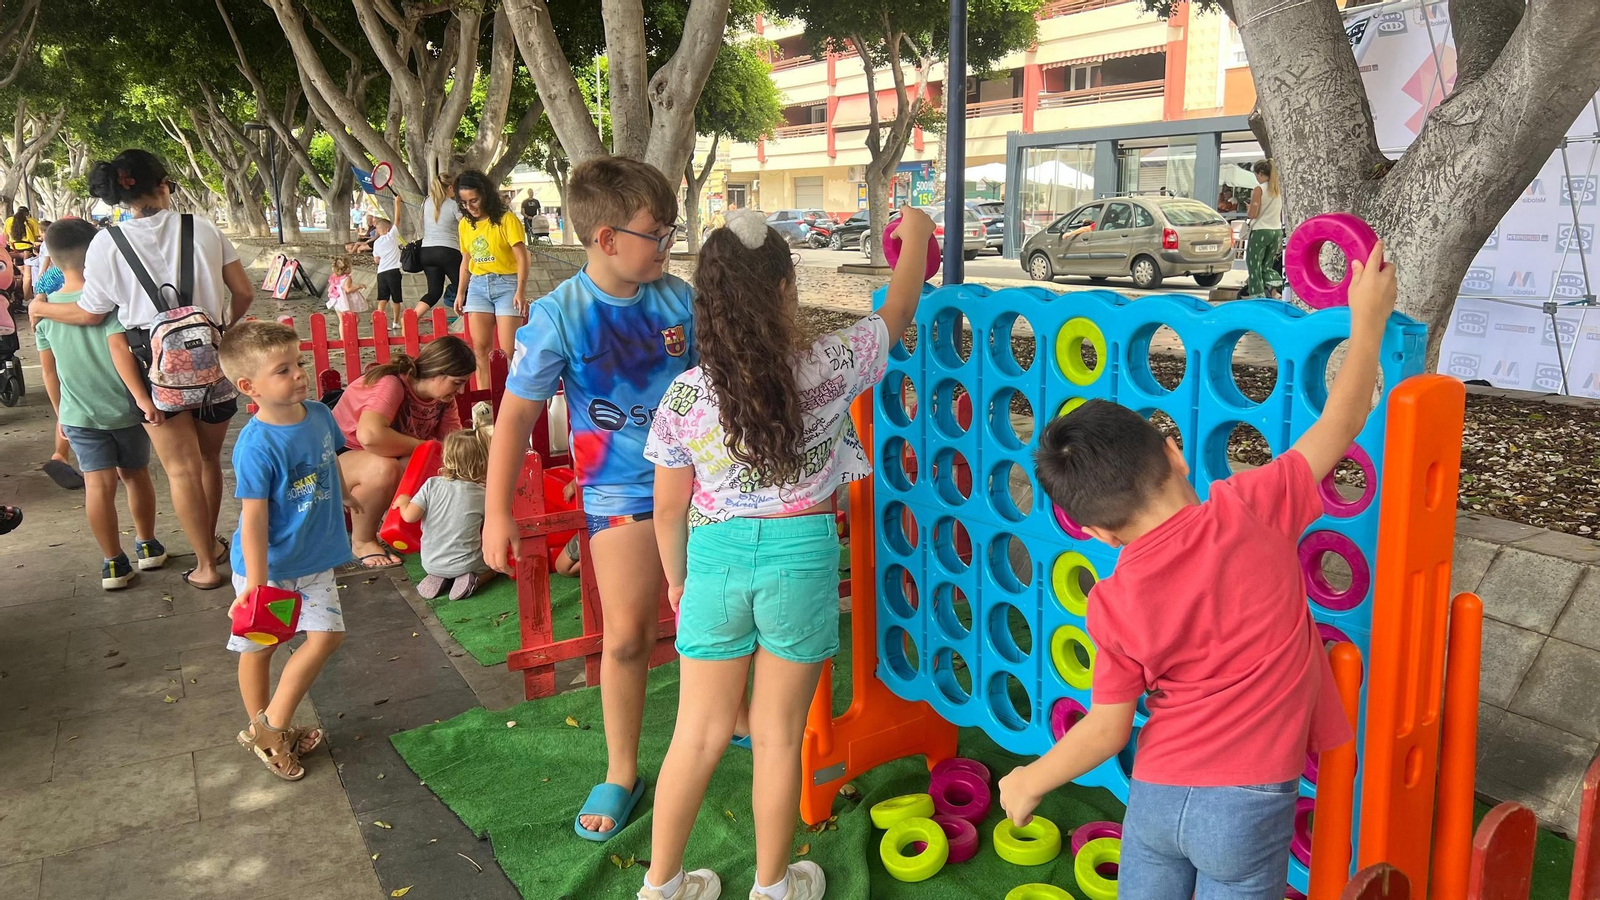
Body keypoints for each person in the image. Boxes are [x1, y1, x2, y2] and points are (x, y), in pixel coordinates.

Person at [996, 242, 1396, 899]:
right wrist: (1368, 320)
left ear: (1095, 532)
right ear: (1176, 454)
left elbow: (1106, 729)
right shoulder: (1253, 506)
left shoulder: (1113, 599)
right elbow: (1342, 418)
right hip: (1247, 801)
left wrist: (1029, 779)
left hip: (1155, 796)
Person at [634, 205, 933, 900]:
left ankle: (661, 885)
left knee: (697, 736)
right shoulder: (833, 363)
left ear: (708, 306)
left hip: (712, 559)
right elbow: (899, 306)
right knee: (776, 738)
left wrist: (678, 581)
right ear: (784, 289)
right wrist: (913, 235)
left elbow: (670, 508)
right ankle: (774, 886)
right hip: (801, 557)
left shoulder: (685, 395)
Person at [483, 155, 694, 843]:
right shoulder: (558, 316)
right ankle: (623, 768)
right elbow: (514, 419)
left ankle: (740, 720)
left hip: (707, 486)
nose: (666, 244)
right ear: (605, 238)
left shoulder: (680, 300)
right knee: (629, 638)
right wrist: (496, 512)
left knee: (717, 623)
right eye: (654, 232)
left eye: (668, 230)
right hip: (623, 496)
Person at [29, 149, 255, 591]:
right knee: (209, 460)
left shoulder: (106, 244)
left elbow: (93, 314)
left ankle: (206, 566)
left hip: (154, 369)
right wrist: (221, 324)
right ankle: (212, 545)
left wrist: (42, 307)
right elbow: (243, 292)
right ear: (164, 183)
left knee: (181, 470)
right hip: (213, 360)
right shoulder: (204, 228)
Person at [218, 320, 357, 781]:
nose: (300, 374)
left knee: (327, 636)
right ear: (248, 387)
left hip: (315, 559)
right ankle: (271, 737)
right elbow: (252, 518)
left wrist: (347, 496)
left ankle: (269, 726)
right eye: (283, 369)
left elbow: (329, 462)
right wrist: (256, 582)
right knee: (260, 648)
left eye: (299, 363)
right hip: (271, 568)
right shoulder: (256, 446)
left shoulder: (319, 414)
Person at [34, 218, 168, 589]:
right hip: (123, 410)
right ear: (95, 254)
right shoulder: (109, 305)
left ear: (53, 259)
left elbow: (49, 373)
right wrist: (143, 401)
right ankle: (147, 545)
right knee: (136, 475)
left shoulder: (43, 313)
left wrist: (62, 414)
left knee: (98, 486)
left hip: (79, 414)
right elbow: (122, 354)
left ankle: (113, 564)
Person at [332, 336, 474, 569]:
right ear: (438, 372)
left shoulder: (442, 400)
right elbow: (370, 436)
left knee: (429, 464)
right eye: (457, 382)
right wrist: (424, 446)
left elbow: (453, 448)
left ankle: (393, 528)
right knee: (386, 468)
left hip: (375, 461)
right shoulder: (392, 383)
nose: (460, 391)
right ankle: (362, 541)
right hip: (336, 465)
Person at [393, 427, 496, 601]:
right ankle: (474, 580)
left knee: (445, 560)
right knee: (494, 568)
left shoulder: (431, 485)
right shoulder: (483, 495)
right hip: (467, 563)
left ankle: (439, 576)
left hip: (430, 562)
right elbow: (491, 527)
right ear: (485, 462)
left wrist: (404, 502)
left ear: (447, 458)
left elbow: (410, 516)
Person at [454, 169, 529, 388]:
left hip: (507, 284)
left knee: (507, 351)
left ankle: (510, 400)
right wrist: (460, 292)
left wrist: (520, 291)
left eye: (474, 200)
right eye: (464, 203)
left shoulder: (507, 220)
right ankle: (485, 404)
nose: (470, 207)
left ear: (486, 195)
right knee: (480, 350)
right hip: (477, 286)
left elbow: (522, 258)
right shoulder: (465, 224)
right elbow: (466, 261)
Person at [417, 172, 463, 316]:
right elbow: (465, 226)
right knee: (463, 287)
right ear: (450, 187)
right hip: (448, 251)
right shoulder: (453, 205)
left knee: (433, 292)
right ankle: (467, 320)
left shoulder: (426, 202)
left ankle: (411, 319)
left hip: (426, 252)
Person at [1245, 159, 1285, 299]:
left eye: (1256, 174)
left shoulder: (1259, 189)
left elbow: (1253, 213)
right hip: (1276, 231)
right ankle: (1275, 290)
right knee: (1267, 265)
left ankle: (1257, 296)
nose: (1256, 178)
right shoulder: (1278, 188)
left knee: (1254, 266)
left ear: (1261, 173)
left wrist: (1249, 209)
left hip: (1261, 231)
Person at [371, 214, 403, 328]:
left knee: (382, 298)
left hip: (381, 273)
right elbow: (397, 219)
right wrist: (397, 202)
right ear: (388, 229)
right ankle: (395, 322)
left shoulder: (376, 243)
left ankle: (380, 323)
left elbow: (376, 260)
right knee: (396, 299)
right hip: (393, 271)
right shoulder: (391, 236)